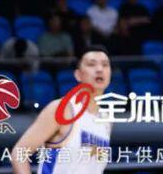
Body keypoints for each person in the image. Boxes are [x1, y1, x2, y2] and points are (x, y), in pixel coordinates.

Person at [9, 46, 112, 174]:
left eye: (105, 65)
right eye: (91, 64)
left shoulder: (106, 119)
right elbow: (19, 153)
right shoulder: (62, 109)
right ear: (78, 75)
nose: (99, 69)